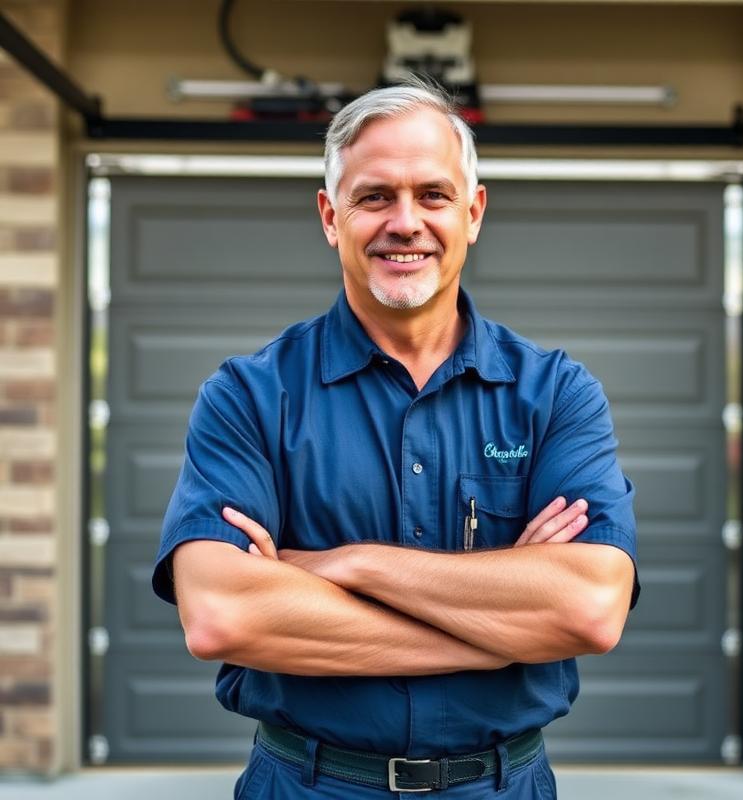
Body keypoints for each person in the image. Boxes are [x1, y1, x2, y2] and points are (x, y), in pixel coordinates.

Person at [152, 81, 639, 799]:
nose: (405, 223)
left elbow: (590, 608)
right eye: (375, 196)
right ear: (330, 216)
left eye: (433, 196)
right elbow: (223, 614)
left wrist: (345, 565)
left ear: (473, 213)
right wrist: (499, 629)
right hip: (309, 784)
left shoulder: (555, 395)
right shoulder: (250, 397)